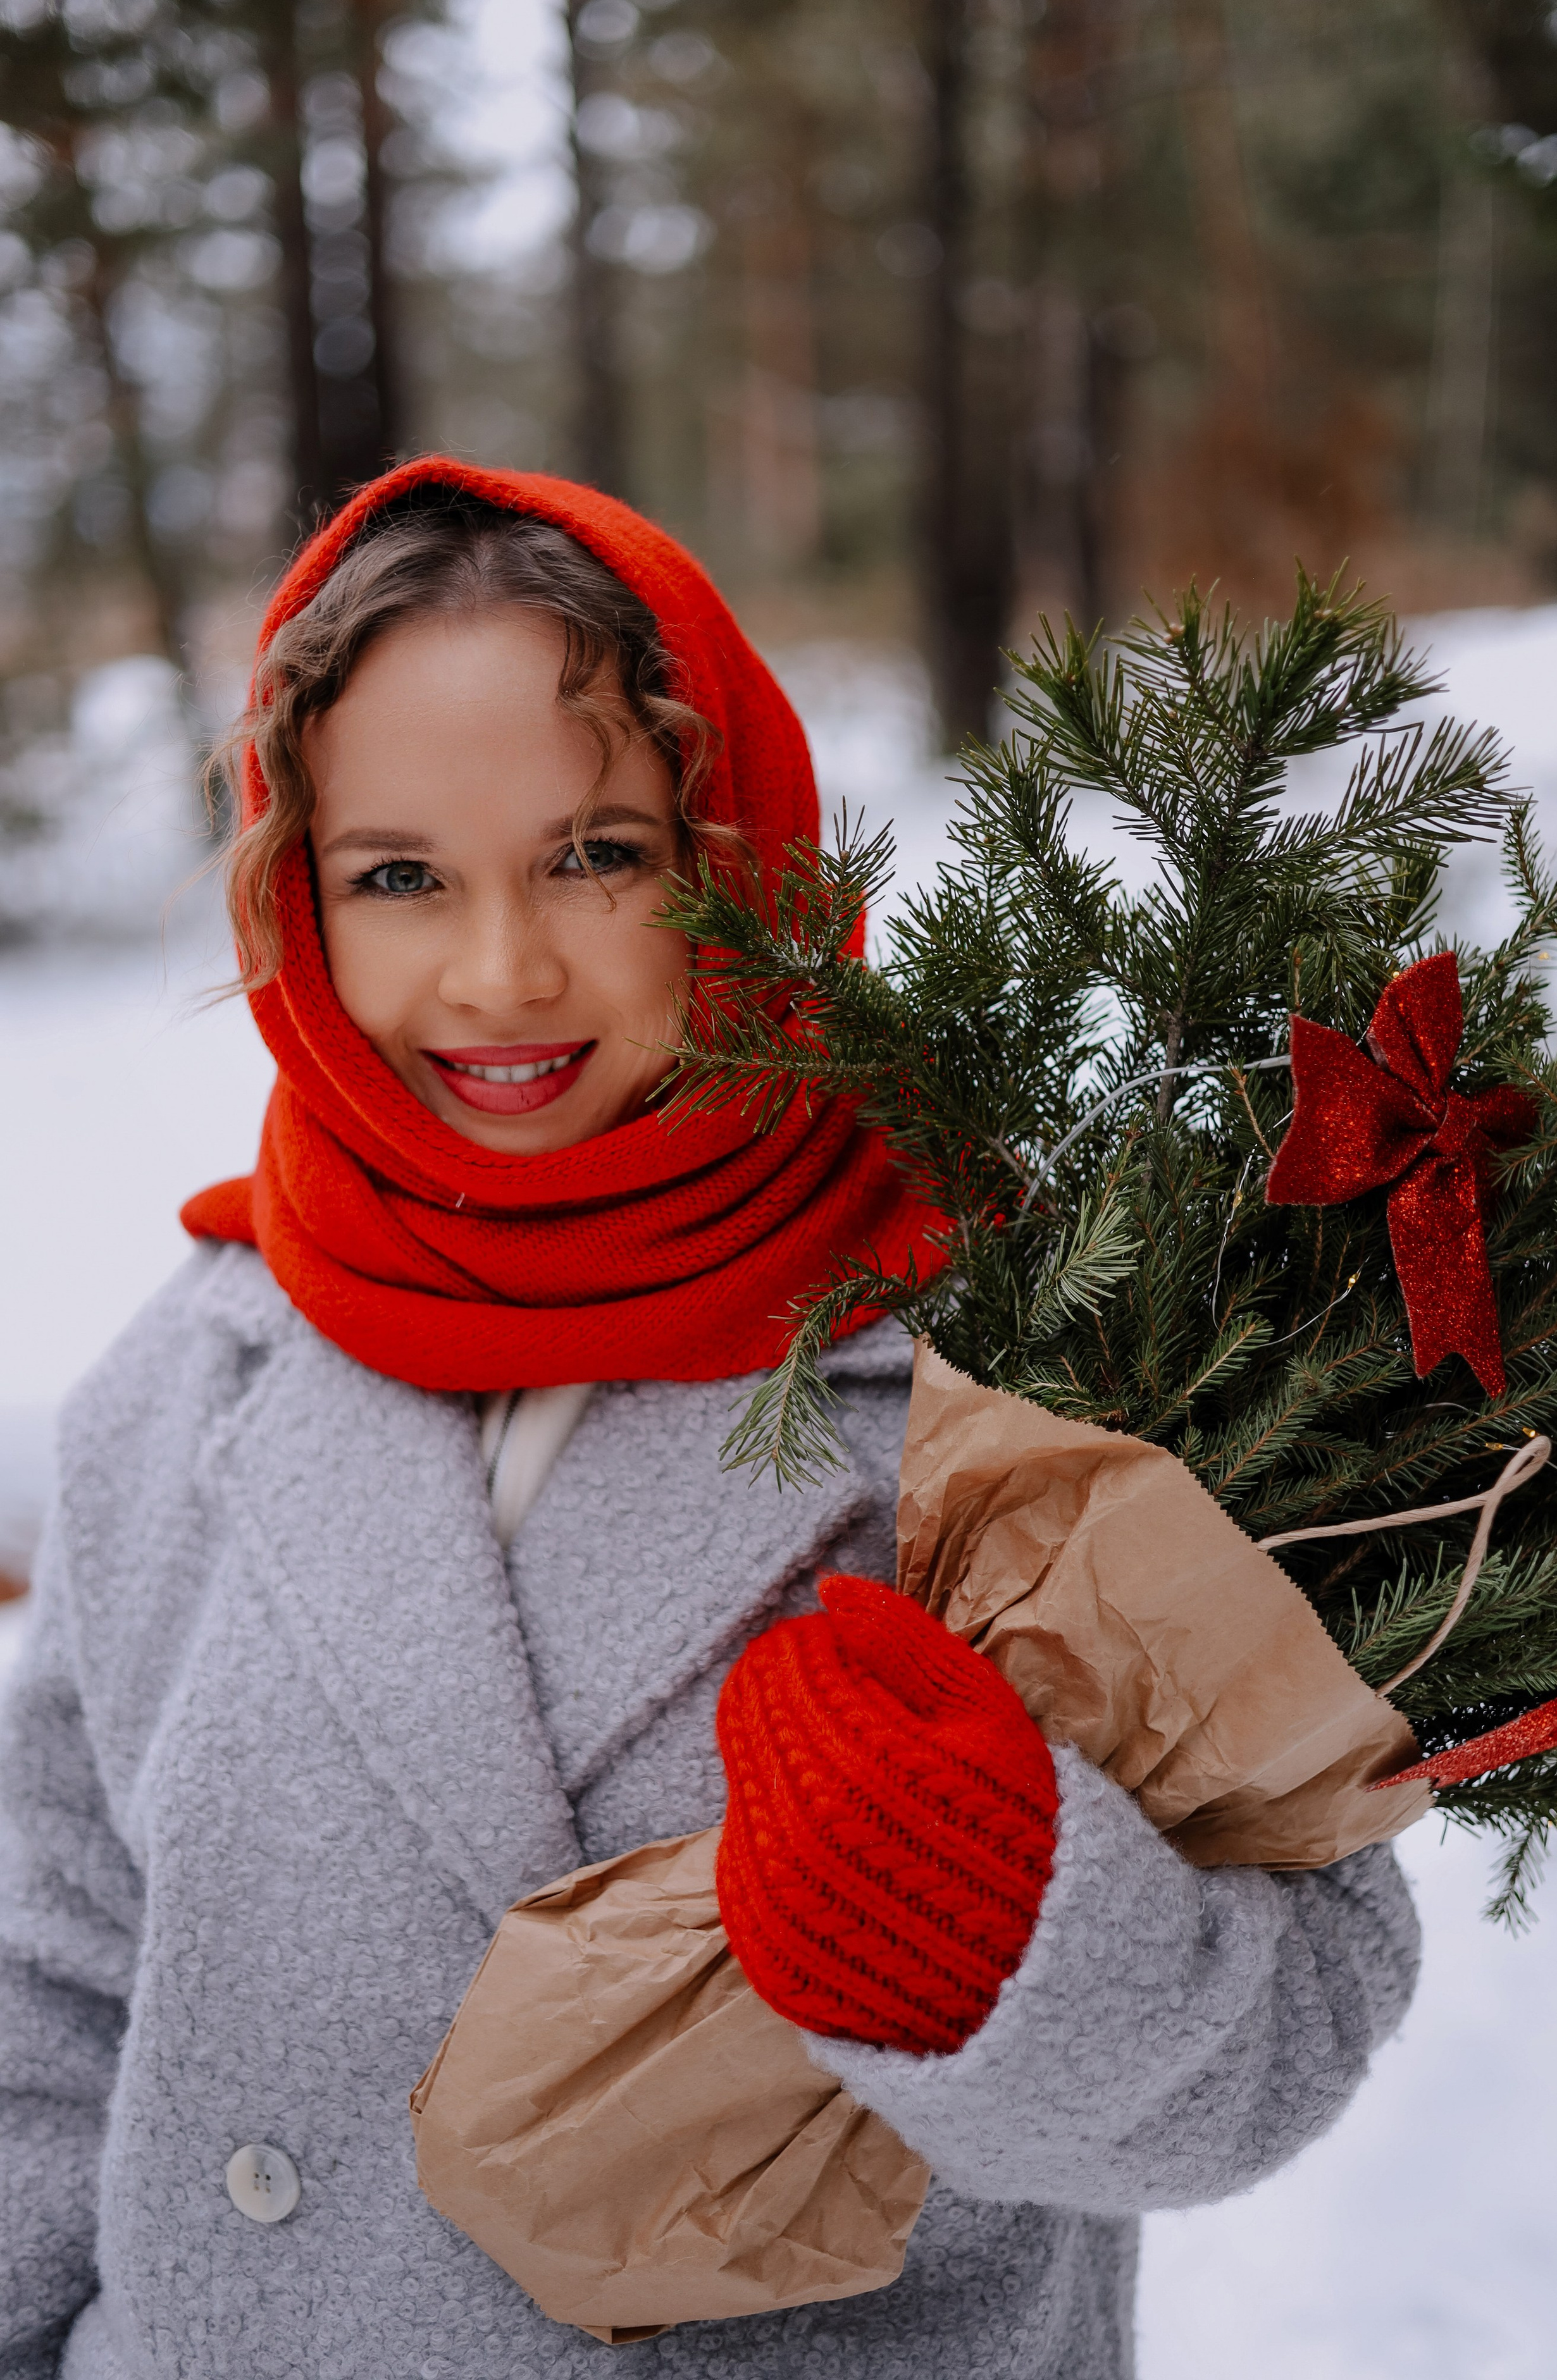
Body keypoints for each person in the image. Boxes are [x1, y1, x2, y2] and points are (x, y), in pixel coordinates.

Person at [0, 457, 1419, 2380]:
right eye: (399, 875)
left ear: (738, 861)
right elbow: (58, 1968)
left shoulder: (1008, 1374)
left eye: (598, 856)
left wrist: (1018, 1950)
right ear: (292, 898)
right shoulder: (180, 1390)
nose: (501, 973)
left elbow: (1293, 2013)